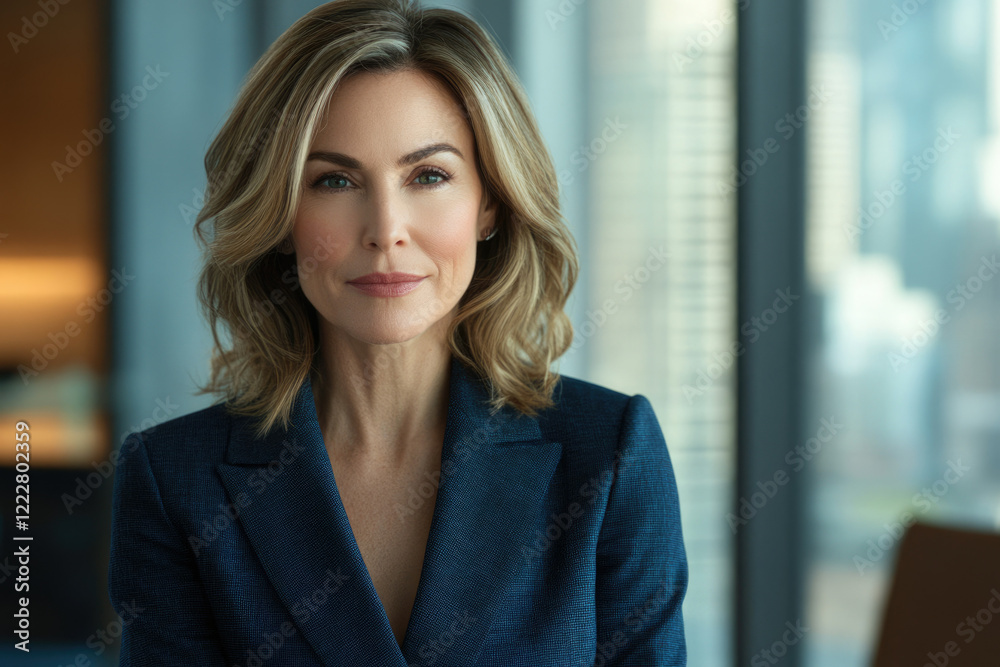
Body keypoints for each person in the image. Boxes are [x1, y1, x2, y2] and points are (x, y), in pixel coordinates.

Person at [106, 0, 688, 664]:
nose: (386, 228)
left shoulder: (610, 453)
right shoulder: (172, 479)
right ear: (282, 214)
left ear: (490, 203)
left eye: (429, 176)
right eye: (334, 180)